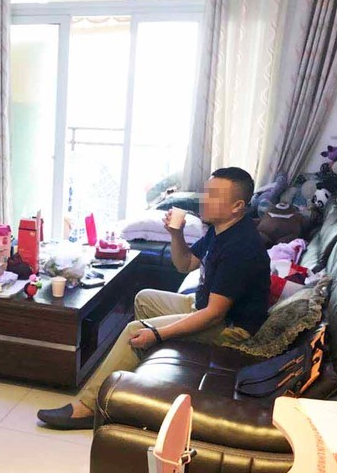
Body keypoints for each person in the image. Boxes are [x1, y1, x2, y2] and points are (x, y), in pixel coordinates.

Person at [37, 167, 270, 430]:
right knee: (144, 299)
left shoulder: (241, 247)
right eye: (206, 192)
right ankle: (136, 379)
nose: (205, 199)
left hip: (232, 329)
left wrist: (157, 334)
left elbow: (214, 314)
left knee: (135, 331)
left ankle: (89, 407)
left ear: (237, 206)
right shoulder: (220, 230)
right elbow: (185, 264)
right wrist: (175, 233)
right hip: (205, 307)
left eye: (214, 195)